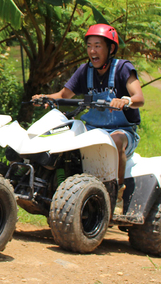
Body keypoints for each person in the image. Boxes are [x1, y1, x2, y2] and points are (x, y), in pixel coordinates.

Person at [33, 24, 144, 208]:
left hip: (121, 131)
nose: (92, 50)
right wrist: (45, 98)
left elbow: (139, 98)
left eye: (98, 45)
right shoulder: (84, 71)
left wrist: (124, 101)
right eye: (89, 46)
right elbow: (63, 96)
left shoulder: (123, 68)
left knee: (115, 141)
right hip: (91, 129)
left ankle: (116, 193)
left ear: (111, 48)